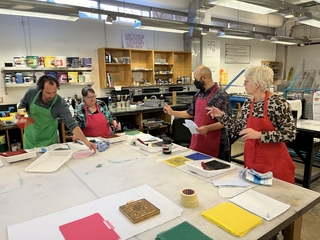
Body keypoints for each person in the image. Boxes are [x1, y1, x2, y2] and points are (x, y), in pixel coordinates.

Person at [206, 65, 296, 183]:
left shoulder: (278, 103)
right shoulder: (249, 102)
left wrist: (259, 135)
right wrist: (221, 116)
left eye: (246, 81)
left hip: (274, 165)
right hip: (253, 161)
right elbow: (239, 127)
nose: (244, 84)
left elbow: (290, 134)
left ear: (257, 83)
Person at [163, 65, 232, 161]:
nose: (194, 82)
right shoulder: (198, 95)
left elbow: (227, 121)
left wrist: (208, 128)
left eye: (196, 79)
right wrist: (172, 112)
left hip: (217, 144)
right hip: (198, 141)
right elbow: (190, 113)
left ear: (204, 78)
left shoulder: (221, 96)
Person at [17, 75, 96, 152]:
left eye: (54, 92)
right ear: (41, 89)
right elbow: (22, 106)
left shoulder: (60, 103)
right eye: (48, 93)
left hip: (49, 142)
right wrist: (21, 115)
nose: (52, 96)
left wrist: (86, 141)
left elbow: (71, 123)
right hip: (31, 139)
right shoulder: (32, 93)